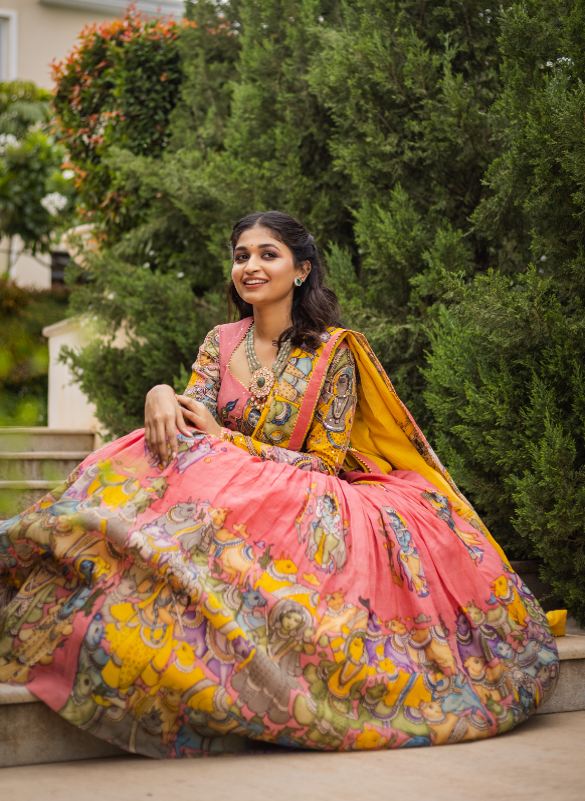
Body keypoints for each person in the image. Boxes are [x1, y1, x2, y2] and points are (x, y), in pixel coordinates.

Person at [0, 211, 559, 756]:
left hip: (299, 492)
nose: (251, 266)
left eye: (269, 254)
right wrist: (159, 393)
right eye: (242, 256)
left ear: (302, 269)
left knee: (205, 455)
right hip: (223, 486)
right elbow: (191, 420)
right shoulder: (221, 341)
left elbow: (322, 462)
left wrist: (226, 439)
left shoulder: (334, 352)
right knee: (163, 447)